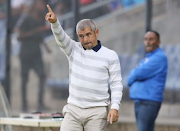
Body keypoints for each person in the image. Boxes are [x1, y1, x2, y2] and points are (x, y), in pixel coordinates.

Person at [45, 4, 123, 131]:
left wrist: (114, 107)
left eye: (88, 34)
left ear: (96, 32)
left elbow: (116, 83)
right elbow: (61, 38)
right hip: (73, 110)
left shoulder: (110, 55)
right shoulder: (73, 49)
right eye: (81, 36)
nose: (85, 39)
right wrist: (55, 23)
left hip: (97, 111)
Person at [127, 31, 168, 131]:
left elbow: (137, 74)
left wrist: (133, 74)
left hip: (148, 102)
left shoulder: (159, 57)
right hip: (141, 101)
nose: (148, 42)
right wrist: (133, 75)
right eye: (146, 39)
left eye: (151, 39)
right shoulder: (147, 58)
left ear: (158, 42)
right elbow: (134, 75)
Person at [18, 0, 51, 112]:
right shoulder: (27, 19)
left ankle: (40, 103)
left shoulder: (41, 19)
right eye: (40, 3)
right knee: (24, 79)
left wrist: (46, 46)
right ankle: (24, 105)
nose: (42, 6)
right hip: (26, 54)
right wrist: (36, 31)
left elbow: (40, 35)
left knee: (42, 75)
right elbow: (19, 36)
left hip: (36, 53)